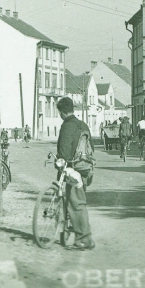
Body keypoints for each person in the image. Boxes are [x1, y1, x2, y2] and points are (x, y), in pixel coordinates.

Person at [56, 97, 95, 250]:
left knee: (76, 204)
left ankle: (84, 239)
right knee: (77, 202)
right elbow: (91, 147)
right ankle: (78, 234)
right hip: (85, 169)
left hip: (74, 169)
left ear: (61, 112)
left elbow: (64, 151)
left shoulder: (67, 126)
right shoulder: (82, 124)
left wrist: (60, 163)